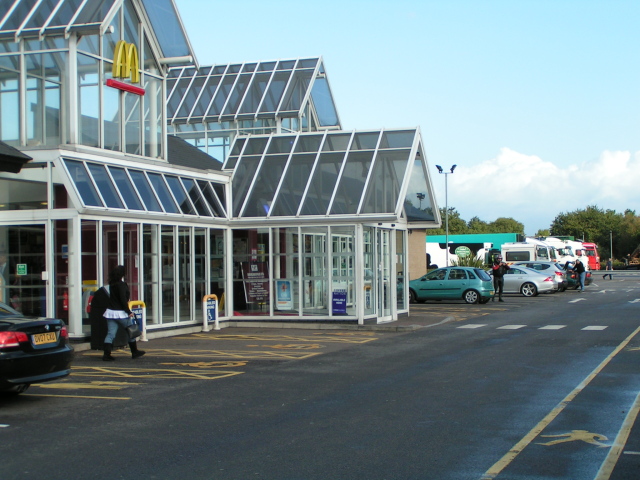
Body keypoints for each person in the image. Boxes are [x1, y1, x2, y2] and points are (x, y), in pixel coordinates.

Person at [103, 265, 145, 361]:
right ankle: (134, 352)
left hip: (110, 312)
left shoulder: (112, 284)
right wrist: (128, 311)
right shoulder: (122, 285)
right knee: (131, 331)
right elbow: (123, 299)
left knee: (111, 334)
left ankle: (106, 354)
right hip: (120, 313)